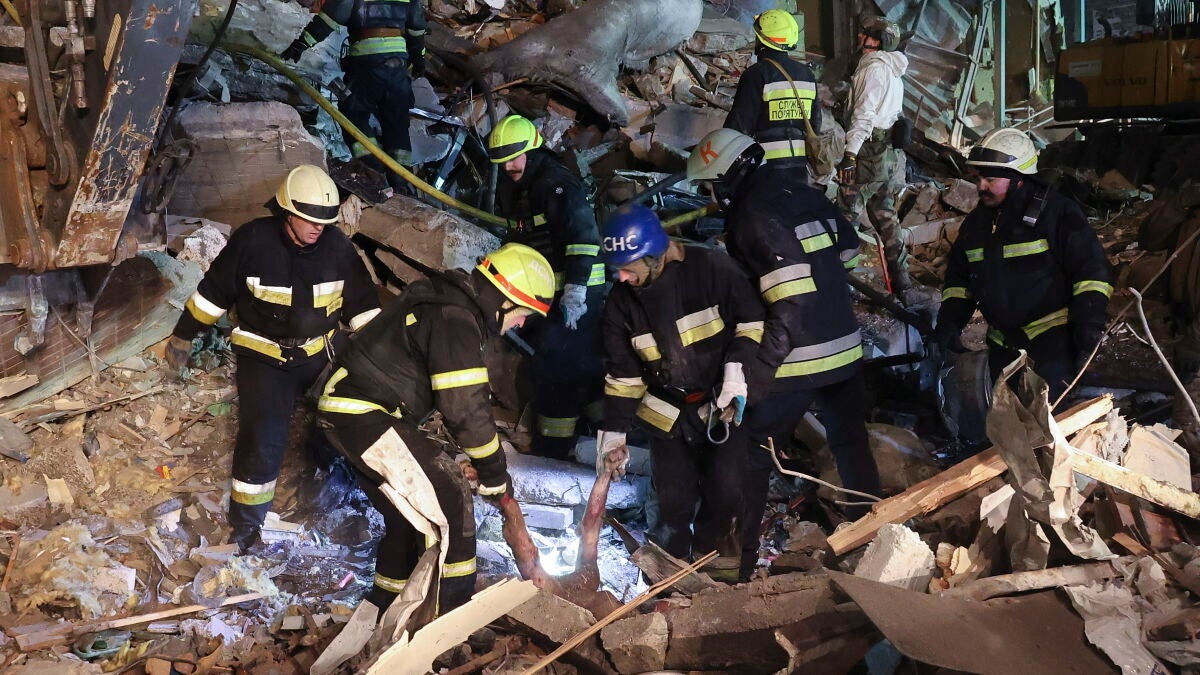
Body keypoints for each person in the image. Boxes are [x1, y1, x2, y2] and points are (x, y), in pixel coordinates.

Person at [317, 243, 555, 615]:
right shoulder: (455, 319)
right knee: (451, 501)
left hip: (354, 410)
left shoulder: (448, 302)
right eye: (524, 313)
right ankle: (449, 620)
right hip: (363, 413)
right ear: (505, 301)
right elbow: (466, 408)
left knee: (406, 518)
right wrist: (495, 474)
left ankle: (383, 606)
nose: (522, 324)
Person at [688, 128, 882, 579]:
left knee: (750, 452)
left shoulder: (752, 215)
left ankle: (733, 566)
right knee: (852, 445)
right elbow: (849, 252)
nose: (712, 197)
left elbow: (789, 300)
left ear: (729, 177)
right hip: (844, 349)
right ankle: (875, 541)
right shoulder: (804, 193)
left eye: (711, 186)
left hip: (798, 357)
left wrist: (758, 371)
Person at [165, 164, 381, 551]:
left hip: (319, 353)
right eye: (309, 220)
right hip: (264, 356)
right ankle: (247, 528)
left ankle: (321, 497)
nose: (317, 228)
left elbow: (364, 309)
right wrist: (183, 336)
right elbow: (213, 294)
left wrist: (385, 360)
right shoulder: (252, 241)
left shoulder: (336, 247)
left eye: (324, 222)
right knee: (263, 438)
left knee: (337, 424)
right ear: (287, 212)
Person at [595, 204, 763, 580]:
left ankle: (718, 580)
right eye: (615, 268)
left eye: (628, 267)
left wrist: (736, 371)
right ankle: (665, 582)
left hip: (719, 405)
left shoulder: (713, 270)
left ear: (655, 255)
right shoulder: (621, 304)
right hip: (665, 412)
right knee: (672, 504)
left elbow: (751, 322)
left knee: (726, 492)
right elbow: (623, 377)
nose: (620, 277)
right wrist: (614, 434)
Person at [934, 128, 1113, 403]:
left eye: (990, 179)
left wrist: (1089, 324)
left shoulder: (1058, 213)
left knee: (1049, 421)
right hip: (1001, 346)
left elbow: (1092, 273)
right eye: (979, 178)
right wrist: (950, 323)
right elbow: (959, 282)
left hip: (1052, 345)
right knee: (1004, 423)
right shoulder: (976, 224)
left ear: (1018, 178)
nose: (981, 187)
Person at [487, 115, 607, 460]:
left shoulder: (555, 183)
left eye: (514, 158)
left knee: (558, 370)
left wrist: (576, 290)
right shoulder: (523, 184)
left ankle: (554, 450)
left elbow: (583, 237)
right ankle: (601, 434)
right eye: (502, 161)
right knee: (581, 366)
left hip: (577, 294)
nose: (508, 167)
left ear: (532, 151)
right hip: (551, 293)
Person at [283, 0, 427, 183]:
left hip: (366, 64)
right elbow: (417, 30)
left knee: (353, 114)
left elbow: (329, 20)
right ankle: (400, 181)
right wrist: (420, 60)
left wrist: (302, 43)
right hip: (398, 66)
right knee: (397, 123)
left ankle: (372, 167)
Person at [836, 16, 913, 294]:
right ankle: (902, 281)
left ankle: (839, 281)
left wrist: (850, 155)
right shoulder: (892, 69)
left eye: (865, 34)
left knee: (846, 216)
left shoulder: (874, 69)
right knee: (886, 216)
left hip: (867, 153)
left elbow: (864, 115)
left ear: (877, 41)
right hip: (886, 157)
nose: (860, 37)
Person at [724, 10, 820, 173]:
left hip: (765, 169)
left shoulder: (756, 74)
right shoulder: (807, 75)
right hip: (799, 168)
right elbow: (815, 124)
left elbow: (739, 127)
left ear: (762, 40)